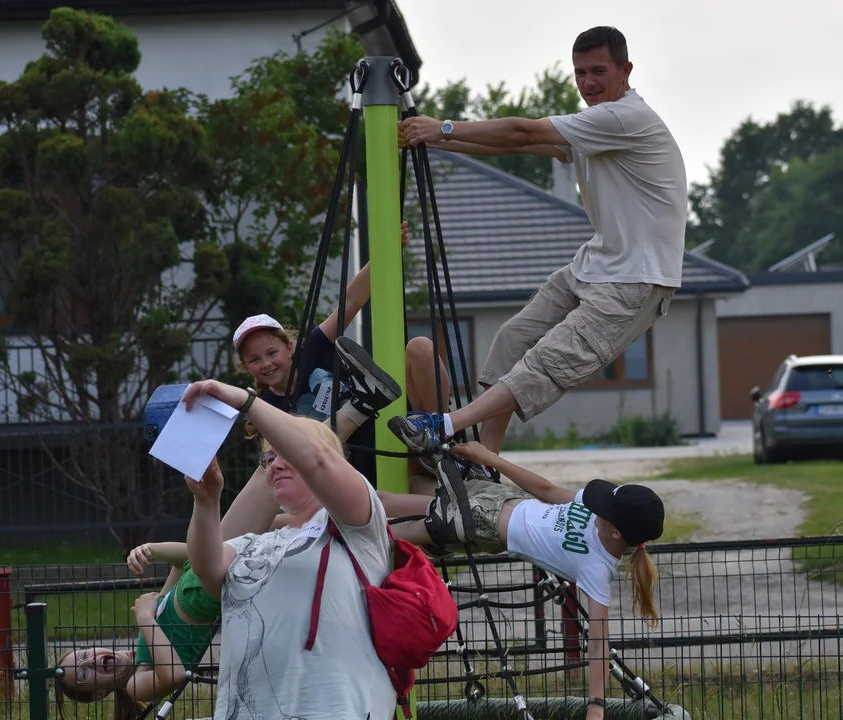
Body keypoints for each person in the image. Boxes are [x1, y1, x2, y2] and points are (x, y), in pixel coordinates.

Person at [390, 25, 687, 458]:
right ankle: (485, 463)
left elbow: (522, 132)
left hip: (635, 281)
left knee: (541, 364)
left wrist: (445, 126)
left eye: (598, 71)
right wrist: (434, 139)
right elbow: (520, 147)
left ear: (626, 70)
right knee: (512, 339)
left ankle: (446, 427)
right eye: (580, 73)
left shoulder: (625, 117)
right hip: (595, 265)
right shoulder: (596, 125)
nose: (588, 83)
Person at [380, 440, 664, 720]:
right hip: (499, 496)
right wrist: (489, 457)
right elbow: (544, 489)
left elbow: (599, 644)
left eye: (605, 508)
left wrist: (596, 706)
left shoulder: (597, 569)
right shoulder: (594, 512)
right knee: (410, 486)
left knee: (386, 532)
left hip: (479, 523)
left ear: (617, 533)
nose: (597, 505)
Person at [180, 378, 397, 720]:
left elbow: (317, 462)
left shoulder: (355, 525)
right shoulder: (257, 541)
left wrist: (244, 400)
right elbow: (206, 567)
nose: (275, 464)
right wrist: (206, 502)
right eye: (269, 458)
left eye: (286, 454)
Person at [233, 219, 455, 492]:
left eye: (271, 352)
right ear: (245, 366)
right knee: (429, 502)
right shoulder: (266, 407)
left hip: (401, 440)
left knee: (420, 347)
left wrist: (386, 250)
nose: (266, 363)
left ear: (289, 348)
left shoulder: (311, 350)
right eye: (255, 360)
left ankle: (440, 440)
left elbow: (350, 300)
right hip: (356, 477)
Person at [54, 457, 283, 720]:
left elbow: (184, 560)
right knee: (274, 471)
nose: (89, 661)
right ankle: (324, 428)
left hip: (207, 564)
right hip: (210, 581)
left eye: (83, 655)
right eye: (83, 674)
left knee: (275, 476)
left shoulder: (145, 639)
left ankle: (322, 430)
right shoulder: (136, 685)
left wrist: (150, 549)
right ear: (99, 694)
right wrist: (144, 617)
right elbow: (173, 673)